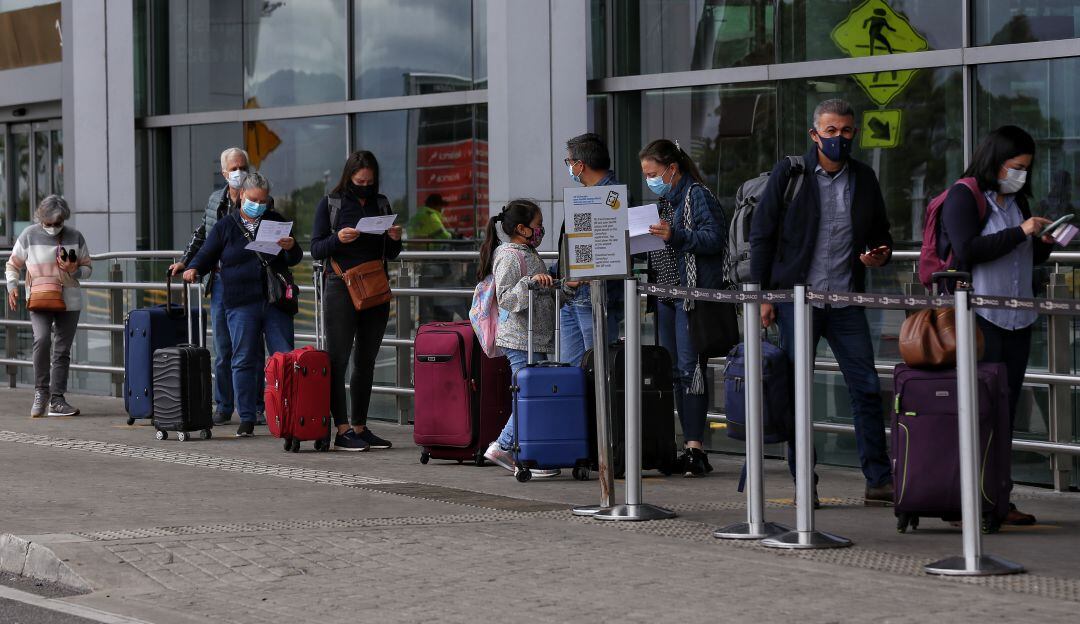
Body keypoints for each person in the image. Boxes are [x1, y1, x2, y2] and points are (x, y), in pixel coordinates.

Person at [750, 98, 894, 506]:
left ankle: (878, 480)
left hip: (846, 301)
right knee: (798, 393)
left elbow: (881, 233)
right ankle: (804, 483)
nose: (839, 138)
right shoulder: (791, 174)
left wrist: (879, 254)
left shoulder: (864, 178)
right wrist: (763, 296)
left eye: (846, 131)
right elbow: (762, 235)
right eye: (831, 131)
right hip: (797, 302)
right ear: (815, 134)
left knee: (866, 388)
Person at [940, 125, 1054, 525]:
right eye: (1015, 166)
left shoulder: (1017, 201)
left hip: (1018, 318)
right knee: (977, 411)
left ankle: (998, 496)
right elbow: (968, 249)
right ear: (996, 161)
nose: (1021, 174)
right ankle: (964, 501)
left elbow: (1023, 255)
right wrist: (1020, 232)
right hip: (980, 318)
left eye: (1026, 168)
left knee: (1005, 413)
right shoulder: (964, 195)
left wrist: (1041, 242)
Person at [183, 172, 301, 438]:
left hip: (275, 301)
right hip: (240, 301)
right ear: (242, 195)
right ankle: (247, 417)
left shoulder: (276, 221)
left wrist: (291, 247)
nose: (258, 205)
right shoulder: (226, 225)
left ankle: (289, 412)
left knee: (284, 356)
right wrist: (193, 268)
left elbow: (294, 257)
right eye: (253, 199)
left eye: (262, 201)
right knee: (243, 358)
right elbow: (207, 252)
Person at [641, 139, 726, 478]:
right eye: (646, 175)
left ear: (672, 169)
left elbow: (714, 239)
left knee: (691, 371)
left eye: (653, 174)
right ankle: (685, 446)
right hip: (665, 295)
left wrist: (674, 235)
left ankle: (696, 448)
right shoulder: (665, 201)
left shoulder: (697, 195)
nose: (650, 180)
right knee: (674, 370)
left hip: (688, 295)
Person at [169, 147, 270, 426]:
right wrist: (186, 262)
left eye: (243, 166)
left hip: (250, 284)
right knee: (223, 349)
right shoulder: (216, 200)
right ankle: (224, 406)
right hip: (221, 282)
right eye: (234, 168)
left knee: (251, 349)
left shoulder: (259, 199)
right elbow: (203, 234)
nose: (239, 172)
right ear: (224, 173)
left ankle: (256, 407)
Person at [310, 150, 402, 452]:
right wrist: (338, 239)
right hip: (341, 285)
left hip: (374, 285)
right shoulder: (331, 203)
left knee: (366, 360)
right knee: (337, 359)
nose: (364, 186)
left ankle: (360, 426)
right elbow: (316, 248)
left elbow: (390, 253)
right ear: (349, 177)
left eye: (369, 182)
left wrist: (395, 238)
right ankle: (342, 429)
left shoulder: (381, 203)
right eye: (359, 181)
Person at [480, 200, 575, 476]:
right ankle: (504, 446)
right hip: (521, 340)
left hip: (535, 339)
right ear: (522, 228)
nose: (541, 229)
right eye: (538, 225)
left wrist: (565, 288)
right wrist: (530, 283)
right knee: (530, 396)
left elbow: (544, 297)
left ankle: (527, 452)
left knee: (533, 395)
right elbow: (507, 298)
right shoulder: (510, 256)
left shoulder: (529, 253)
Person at [6, 195, 91, 418]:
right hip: (39, 298)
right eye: (48, 223)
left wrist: (73, 270)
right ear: (41, 218)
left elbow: (88, 268)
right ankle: (41, 392)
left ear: (64, 219)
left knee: (62, 351)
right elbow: (13, 264)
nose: (53, 227)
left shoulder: (75, 236)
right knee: (42, 340)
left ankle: (57, 400)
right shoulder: (29, 235)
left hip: (70, 301)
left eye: (58, 223)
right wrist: (12, 286)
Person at [557, 133, 625, 366]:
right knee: (571, 370)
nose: (569, 168)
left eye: (569, 162)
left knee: (597, 368)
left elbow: (613, 246)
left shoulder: (614, 195)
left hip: (596, 296)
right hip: (572, 293)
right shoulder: (586, 194)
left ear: (580, 164)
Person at [407, 193, 457, 322]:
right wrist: (454, 235)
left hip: (419, 262)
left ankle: (426, 326)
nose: (442, 209)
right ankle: (440, 324)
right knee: (441, 298)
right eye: (441, 206)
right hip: (434, 262)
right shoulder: (431, 215)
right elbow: (446, 237)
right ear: (435, 205)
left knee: (425, 299)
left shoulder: (416, 216)